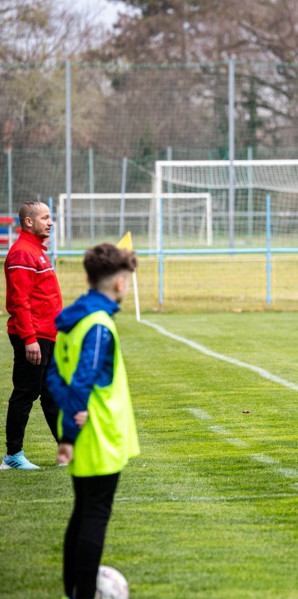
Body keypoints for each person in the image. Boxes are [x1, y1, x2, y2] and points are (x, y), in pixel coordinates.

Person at [46, 243, 139, 599]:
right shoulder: (99, 325)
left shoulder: (73, 320)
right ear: (118, 284)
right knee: (95, 515)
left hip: (81, 432)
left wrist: (68, 427)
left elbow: (54, 375)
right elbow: (82, 379)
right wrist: (71, 429)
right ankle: (84, 593)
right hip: (98, 435)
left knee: (83, 510)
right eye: (127, 281)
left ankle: (74, 588)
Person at [2, 200, 63, 470]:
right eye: (45, 218)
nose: (50, 222)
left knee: (52, 394)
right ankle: (12, 455)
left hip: (46, 335)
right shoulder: (22, 253)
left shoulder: (37, 251)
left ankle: (68, 451)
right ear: (29, 221)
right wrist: (29, 339)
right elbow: (19, 301)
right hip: (33, 336)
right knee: (26, 393)